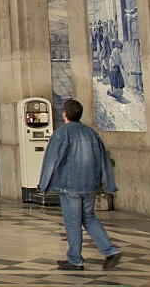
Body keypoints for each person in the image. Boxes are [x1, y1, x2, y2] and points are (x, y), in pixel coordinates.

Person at [38, 99, 121, 271]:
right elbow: (103, 159)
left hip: (70, 185)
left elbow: (51, 160)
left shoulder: (61, 133)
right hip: (90, 184)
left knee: (73, 222)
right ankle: (110, 250)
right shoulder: (91, 133)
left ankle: (75, 259)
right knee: (89, 218)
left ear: (65, 114)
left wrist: (43, 184)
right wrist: (109, 184)